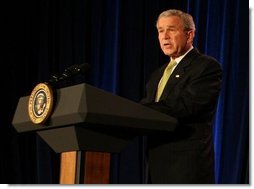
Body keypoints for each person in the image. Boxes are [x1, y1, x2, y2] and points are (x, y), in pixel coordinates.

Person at [140, 9, 222, 184]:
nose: (165, 36)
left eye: (171, 29)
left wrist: (139, 110)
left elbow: (186, 105)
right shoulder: (158, 74)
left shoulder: (205, 66)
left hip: (186, 166)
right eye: (160, 31)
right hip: (156, 162)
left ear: (189, 35)